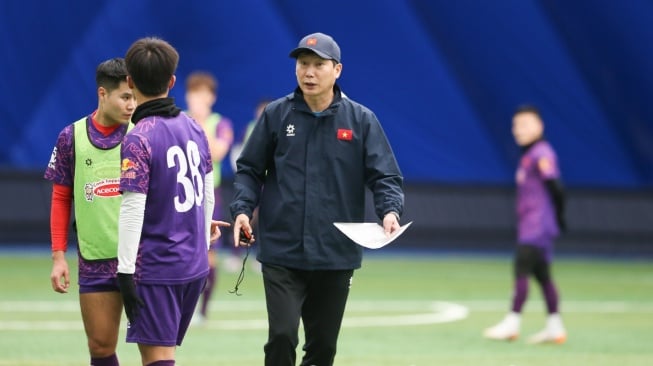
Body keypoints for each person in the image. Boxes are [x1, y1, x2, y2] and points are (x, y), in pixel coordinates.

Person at [230, 32, 404, 366]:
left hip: (336, 253)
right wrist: (242, 210)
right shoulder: (276, 115)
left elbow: (385, 176)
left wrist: (390, 210)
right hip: (282, 251)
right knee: (281, 336)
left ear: (337, 70)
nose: (309, 72)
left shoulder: (361, 120)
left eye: (318, 65)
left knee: (323, 348)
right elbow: (249, 169)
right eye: (303, 64)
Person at [116, 37, 229, 366]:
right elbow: (207, 186)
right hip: (193, 266)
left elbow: (133, 208)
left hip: (158, 266)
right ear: (172, 82)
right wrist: (204, 228)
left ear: (130, 82)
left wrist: (125, 273)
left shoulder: (139, 137)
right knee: (165, 354)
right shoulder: (194, 126)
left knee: (158, 359)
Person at [45, 57, 136, 366]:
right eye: (125, 96)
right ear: (102, 94)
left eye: (135, 96)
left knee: (155, 349)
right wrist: (59, 256)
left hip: (144, 261)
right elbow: (60, 198)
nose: (131, 104)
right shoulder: (71, 137)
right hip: (96, 262)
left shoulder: (143, 134)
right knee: (100, 347)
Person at [483, 104, 567, 344]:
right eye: (516, 125)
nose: (518, 130)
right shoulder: (529, 155)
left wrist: (560, 216)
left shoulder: (542, 153)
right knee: (543, 275)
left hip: (537, 225)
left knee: (521, 268)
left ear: (539, 126)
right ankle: (555, 326)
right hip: (535, 224)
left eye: (525, 124)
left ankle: (512, 322)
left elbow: (556, 186)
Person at [184, 71, 235, 323]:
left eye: (202, 94)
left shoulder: (220, 123)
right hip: (180, 196)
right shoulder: (179, 120)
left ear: (211, 97)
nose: (197, 99)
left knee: (208, 254)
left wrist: (200, 123)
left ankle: (202, 311)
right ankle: (181, 306)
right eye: (193, 93)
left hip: (207, 197)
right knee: (179, 253)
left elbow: (216, 152)